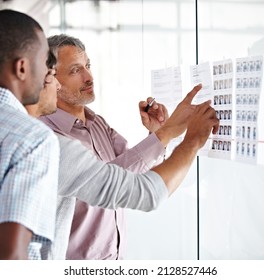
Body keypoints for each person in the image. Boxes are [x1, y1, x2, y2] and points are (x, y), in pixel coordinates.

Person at [26, 50, 219, 259]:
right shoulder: (48, 138)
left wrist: (156, 134)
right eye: (75, 70)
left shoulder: (97, 122)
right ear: (52, 78)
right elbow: (130, 189)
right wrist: (184, 137)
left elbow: (131, 175)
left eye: (88, 65)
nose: (89, 77)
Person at [0, 10, 60, 260]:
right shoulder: (33, 139)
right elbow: (11, 254)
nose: (48, 74)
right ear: (22, 67)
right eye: (44, 61)